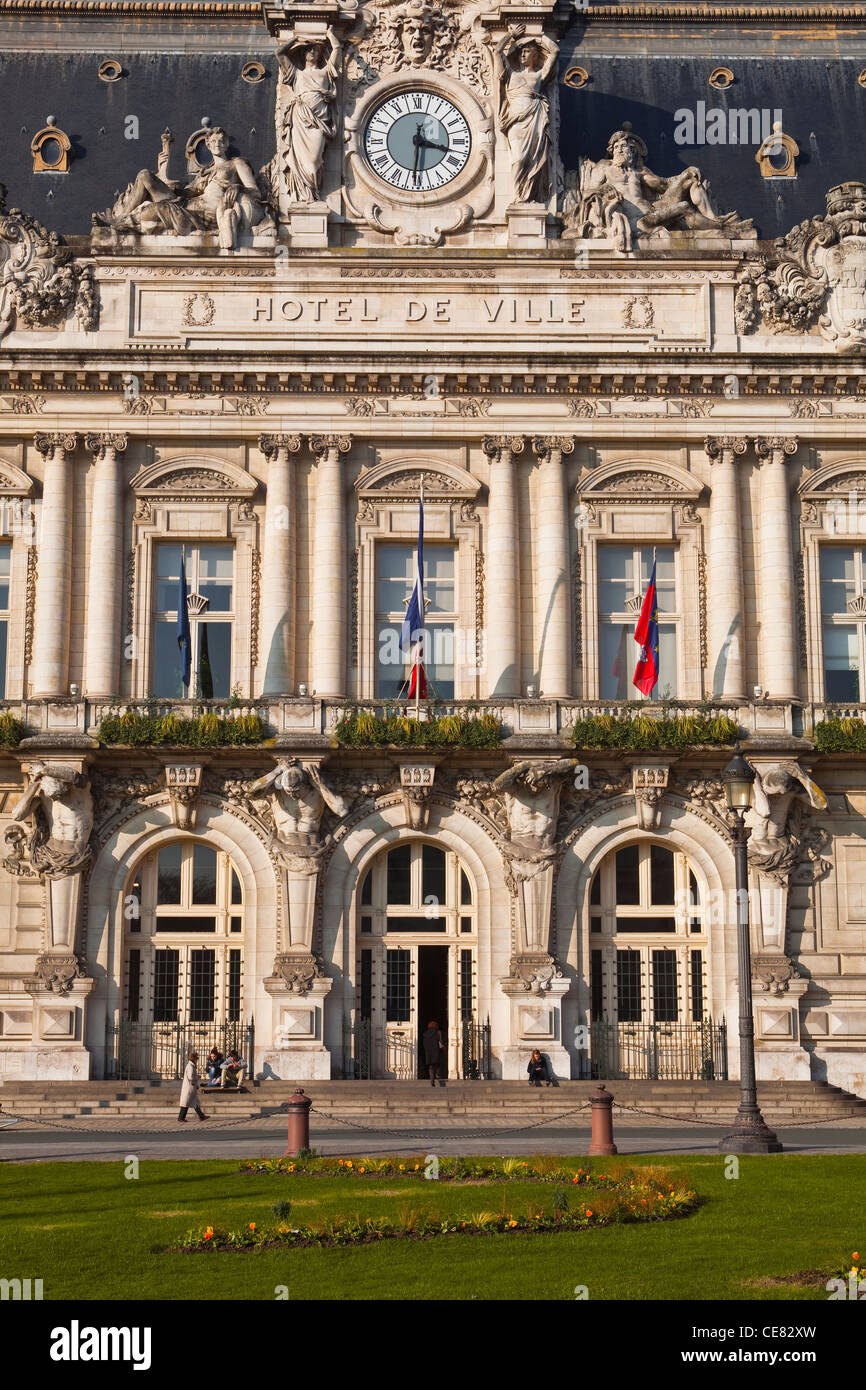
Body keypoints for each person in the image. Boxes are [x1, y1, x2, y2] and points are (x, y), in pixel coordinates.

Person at [177, 1051, 208, 1122]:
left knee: (195, 1103)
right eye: (196, 1059)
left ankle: (201, 1116)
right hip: (189, 1088)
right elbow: (191, 1077)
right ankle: (181, 1118)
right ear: (194, 1059)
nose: (197, 1061)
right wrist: (197, 1077)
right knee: (186, 1103)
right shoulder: (190, 1066)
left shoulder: (191, 1066)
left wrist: (196, 1085)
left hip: (192, 1087)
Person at [422, 1020, 445, 1087]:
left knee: (431, 1066)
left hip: (428, 1052)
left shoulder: (425, 1034)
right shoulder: (438, 1032)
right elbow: (441, 1042)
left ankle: (432, 1080)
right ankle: (437, 1075)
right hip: (436, 1050)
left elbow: (424, 1044)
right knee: (438, 1064)